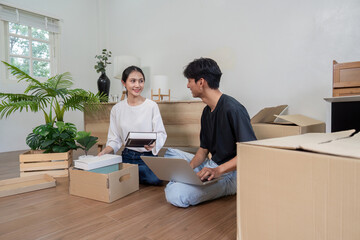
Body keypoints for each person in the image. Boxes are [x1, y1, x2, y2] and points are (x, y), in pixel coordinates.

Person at [164, 58, 256, 207]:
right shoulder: (207, 111)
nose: (188, 85)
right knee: (169, 154)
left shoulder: (233, 109)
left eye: (189, 81)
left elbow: (250, 153)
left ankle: (183, 184)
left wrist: (217, 170)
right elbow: (202, 151)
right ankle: (186, 179)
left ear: (201, 82)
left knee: (175, 194)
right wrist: (189, 169)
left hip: (230, 173)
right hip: (212, 165)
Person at [98, 66, 167, 185]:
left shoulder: (151, 106)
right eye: (133, 81)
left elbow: (161, 133)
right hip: (127, 156)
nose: (137, 85)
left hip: (147, 157)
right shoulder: (117, 109)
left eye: (141, 81)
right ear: (124, 83)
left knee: (155, 180)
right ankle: (130, 175)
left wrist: (154, 144)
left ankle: (132, 176)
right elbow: (115, 139)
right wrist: (105, 151)